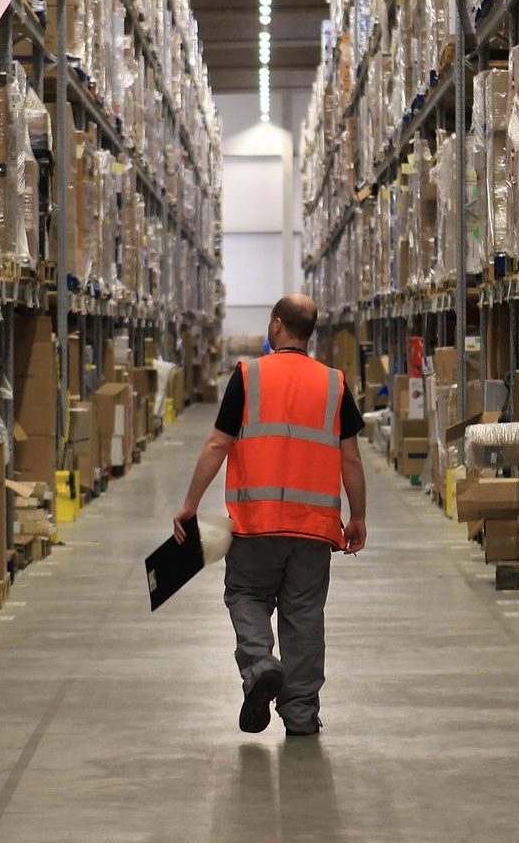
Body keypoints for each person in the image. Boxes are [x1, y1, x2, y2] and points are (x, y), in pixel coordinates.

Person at [174, 293, 367, 737]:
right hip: (314, 530)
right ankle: (300, 715)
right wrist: (358, 516)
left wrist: (189, 504)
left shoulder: (248, 376)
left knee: (246, 595)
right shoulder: (335, 384)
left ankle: (261, 665)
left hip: (255, 526)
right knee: (303, 616)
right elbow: (351, 459)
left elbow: (217, 445)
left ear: (277, 326)